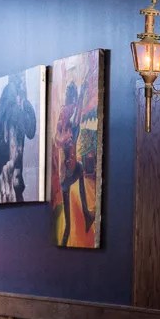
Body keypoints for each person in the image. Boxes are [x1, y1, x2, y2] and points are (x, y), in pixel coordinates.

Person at [53, 81, 95, 246]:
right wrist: (63, 139)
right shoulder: (63, 122)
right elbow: (57, 139)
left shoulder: (73, 124)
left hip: (74, 168)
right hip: (66, 175)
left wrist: (82, 93)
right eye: (70, 107)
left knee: (81, 167)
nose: (71, 110)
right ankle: (65, 239)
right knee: (68, 224)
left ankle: (87, 214)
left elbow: (77, 114)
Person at [0, 73, 37, 203]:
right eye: (22, 79)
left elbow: (30, 131)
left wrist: (25, 104)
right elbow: (25, 127)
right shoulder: (10, 92)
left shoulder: (19, 101)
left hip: (13, 162)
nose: (23, 82)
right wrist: (24, 105)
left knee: (16, 189)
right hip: (6, 157)